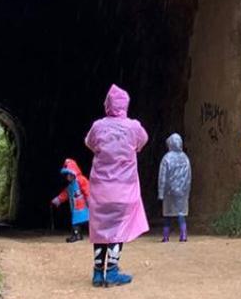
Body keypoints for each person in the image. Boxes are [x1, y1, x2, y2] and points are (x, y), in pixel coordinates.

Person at [84, 85, 149, 287]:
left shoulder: (97, 126)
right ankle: (112, 271)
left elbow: (90, 143)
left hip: (100, 189)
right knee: (118, 230)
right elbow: (142, 142)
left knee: (100, 229)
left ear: (107, 105)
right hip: (124, 189)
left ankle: (97, 273)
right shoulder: (134, 127)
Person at [157, 134, 192, 242]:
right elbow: (189, 176)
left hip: (169, 191)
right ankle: (183, 235)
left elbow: (162, 177)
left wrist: (161, 192)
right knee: (181, 213)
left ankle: (166, 236)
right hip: (182, 191)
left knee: (167, 214)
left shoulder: (166, 158)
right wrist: (187, 190)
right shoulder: (185, 158)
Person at [51, 157, 91, 242]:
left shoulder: (81, 180)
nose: (67, 177)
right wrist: (58, 199)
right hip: (75, 207)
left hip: (83, 206)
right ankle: (77, 234)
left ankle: (77, 235)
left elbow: (87, 189)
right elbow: (65, 194)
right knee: (76, 221)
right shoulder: (70, 186)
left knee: (81, 220)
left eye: (68, 174)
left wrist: (89, 199)